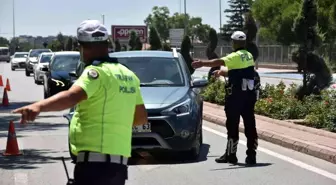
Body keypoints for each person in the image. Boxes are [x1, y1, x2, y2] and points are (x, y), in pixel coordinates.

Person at [13, 20, 148, 185]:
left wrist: (38, 106)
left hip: (94, 167)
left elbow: (71, 97)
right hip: (118, 167)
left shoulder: (95, 73)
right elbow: (141, 117)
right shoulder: (129, 75)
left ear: (84, 48)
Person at [191, 31, 259, 165]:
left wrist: (202, 63)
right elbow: (240, 71)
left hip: (235, 97)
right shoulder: (248, 55)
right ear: (244, 43)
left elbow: (218, 61)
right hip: (249, 96)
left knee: (232, 125)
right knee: (250, 125)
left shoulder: (234, 56)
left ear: (233, 43)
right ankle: (252, 155)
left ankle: (231, 155)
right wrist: (223, 72)